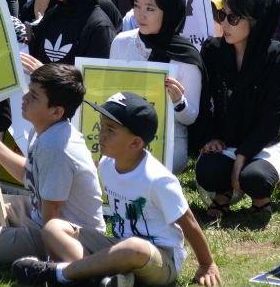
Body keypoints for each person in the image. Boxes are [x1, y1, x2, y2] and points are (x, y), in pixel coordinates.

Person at [12, 92, 222, 287]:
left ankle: (56, 274)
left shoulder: (158, 179)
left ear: (135, 143)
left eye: (111, 130)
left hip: (159, 259)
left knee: (133, 247)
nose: (101, 134)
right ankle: (104, 277)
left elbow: (189, 223)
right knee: (53, 227)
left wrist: (206, 264)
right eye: (102, 126)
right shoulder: (106, 165)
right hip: (118, 246)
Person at [0, 63, 105, 262]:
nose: (24, 99)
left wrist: (52, 263)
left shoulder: (55, 146)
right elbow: (29, 174)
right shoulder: (45, 127)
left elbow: (53, 217)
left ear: (56, 112)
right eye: (28, 91)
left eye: (34, 96)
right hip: (37, 213)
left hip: (67, 234)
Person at [194, 0, 280, 219]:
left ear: (257, 22)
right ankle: (223, 193)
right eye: (221, 15)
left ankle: (260, 198)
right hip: (225, 142)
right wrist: (210, 137)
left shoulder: (277, 56)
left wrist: (242, 157)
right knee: (208, 171)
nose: (224, 24)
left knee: (255, 178)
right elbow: (204, 103)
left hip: (264, 145)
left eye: (233, 18)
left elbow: (272, 118)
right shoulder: (213, 50)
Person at [109, 0, 204, 173]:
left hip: (168, 142)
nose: (140, 15)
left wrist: (179, 102)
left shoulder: (185, 56)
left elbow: (191, 118)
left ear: (169, 12)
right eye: (136, 6)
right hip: (124, 135)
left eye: (150, 9)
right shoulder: (121, 42)